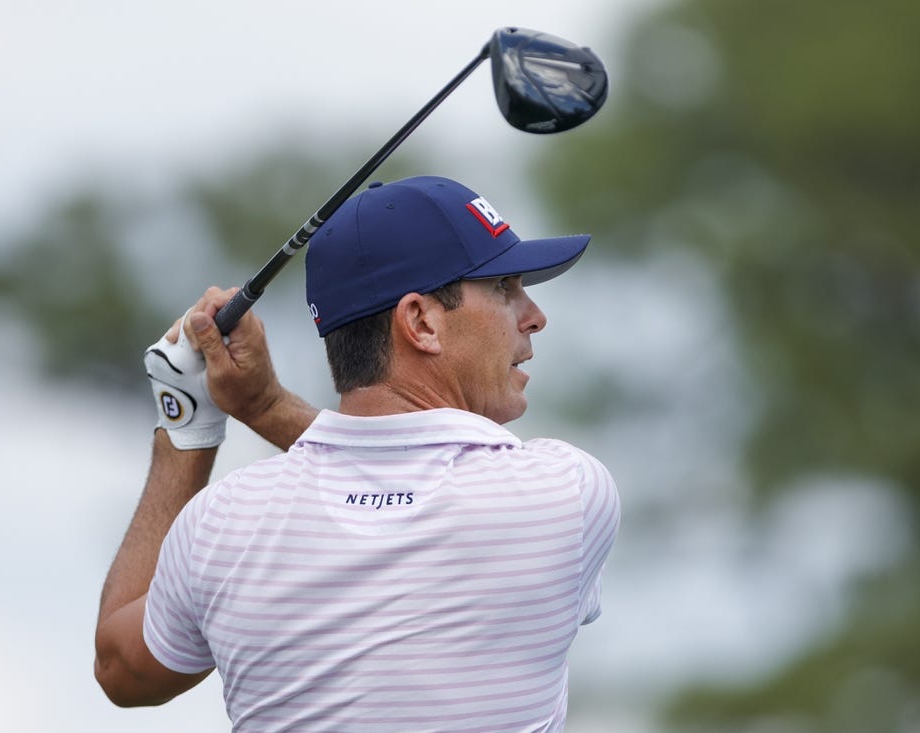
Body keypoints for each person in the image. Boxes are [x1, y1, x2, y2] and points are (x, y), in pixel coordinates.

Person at [94, 175, 620, 732]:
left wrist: (187, 425)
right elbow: (392, 471)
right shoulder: (562, 492)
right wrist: (268, 408)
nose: (533, 315)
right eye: (504, 287)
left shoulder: (222, 524)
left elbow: (121, 669)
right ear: (421, 322)